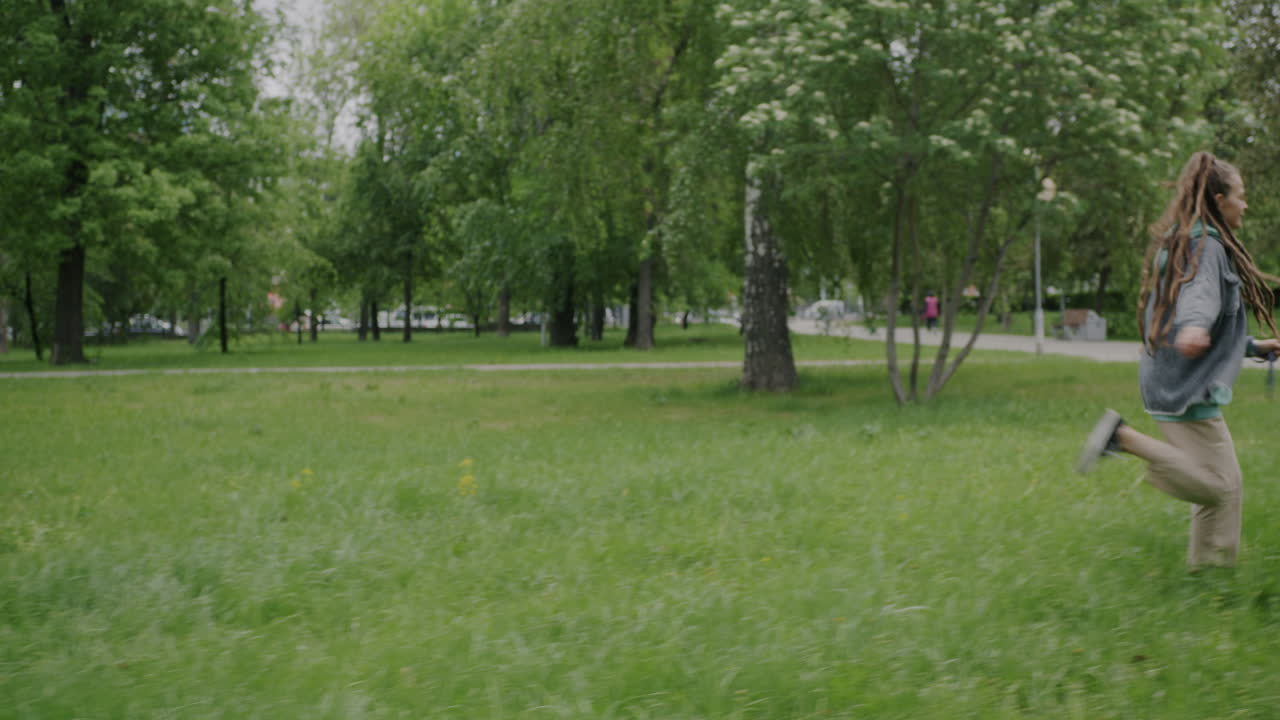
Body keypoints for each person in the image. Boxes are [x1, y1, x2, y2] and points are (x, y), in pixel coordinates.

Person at [1077, 151, 1280, 571]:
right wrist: (1193, 325)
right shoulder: (1205, 247)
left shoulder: (1189, 241)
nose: (1246, 205)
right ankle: (1124, 438)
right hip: (1184, 384)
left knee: (1225, 484)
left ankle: (1207, 572)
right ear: (1221, 199)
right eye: (1242, 197)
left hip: (1173, 377)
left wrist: (1254, 347)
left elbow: (1208, 320)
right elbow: (1199, 298)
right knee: (1221, 487)